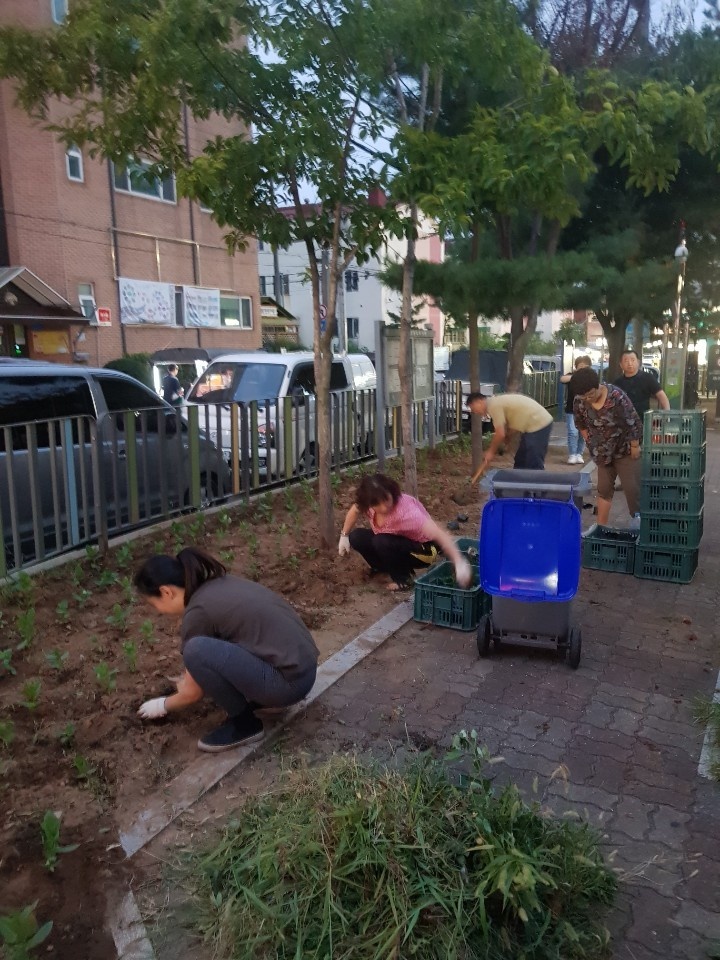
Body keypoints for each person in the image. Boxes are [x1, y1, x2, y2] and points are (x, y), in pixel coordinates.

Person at [134, 548, 319, 752]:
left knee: (195, 650)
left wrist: (162, 705)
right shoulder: (219, 584)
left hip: (289, 685)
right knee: (206, 651)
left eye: (153, 604)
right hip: (305, 668)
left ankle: (245, 725)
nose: (157, 611)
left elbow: (192, 693)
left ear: (166, 592)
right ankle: (258, 698)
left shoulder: (198, 612)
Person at [338, 473, 472, 591]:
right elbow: (355, 510)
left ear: (391, 491)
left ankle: (404, 580)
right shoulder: (368, 505)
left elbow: (439, 534)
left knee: (381, 541)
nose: (384, 507)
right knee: (356, 537)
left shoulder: (408, 514)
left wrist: (459, 562)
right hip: (396, 543)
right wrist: (344, 536)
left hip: (423, 550)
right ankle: (383, 569)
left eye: (386, 499)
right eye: (377, 504)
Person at [571, 366, 642, 527]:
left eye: (591, 394)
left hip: (625, 450)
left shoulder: (616, 396)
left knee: (632, 488)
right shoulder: (579, 402)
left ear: (598, 386)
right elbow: (580, 424)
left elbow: (633, 421)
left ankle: (638, 523)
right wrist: (590, 441)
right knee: (603, 489)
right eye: (584, 397)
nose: (588, 399)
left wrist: (635, 445)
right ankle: (600, 526)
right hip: (602, 453)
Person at [466, 391, 553, 480]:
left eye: (473, 408)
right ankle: (518, 488)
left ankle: (537, 491)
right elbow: (512, 424)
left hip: (539, 424)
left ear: (479, 401)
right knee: (520, 461)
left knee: (533, 462)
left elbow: (500, 433)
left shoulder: (493, 405)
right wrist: (508, 437)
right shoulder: (496, 402)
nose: (475, 412)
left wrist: (491, 452)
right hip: (531, 426)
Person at [614, 350, 669, 419]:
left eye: (633, 360)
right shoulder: (618, 382)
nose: (630, 363)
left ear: (638, 362)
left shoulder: (648, 378)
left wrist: (667, 415)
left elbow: (661, 395)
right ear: (621, 365)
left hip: (644, 420)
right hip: (624, 420)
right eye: (626, 361)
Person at [560, 356, 592, 464]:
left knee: (582, 433)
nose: (582, 369)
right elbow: (562, 379)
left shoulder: (591, 378)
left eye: (585, 366)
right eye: (580, 366)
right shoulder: (571, 376)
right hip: (571, 410)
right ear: (576, 367)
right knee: (573, 432)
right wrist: (576, 376)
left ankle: (579, 454)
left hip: (586, 410)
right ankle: (572, 454)